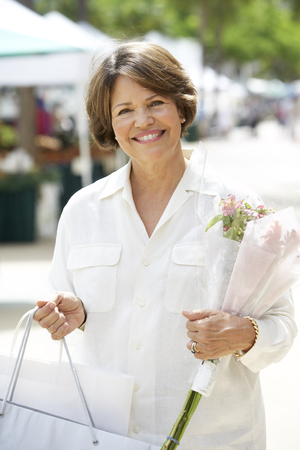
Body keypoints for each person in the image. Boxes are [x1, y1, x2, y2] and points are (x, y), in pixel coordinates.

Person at [34, 42, 297, 450]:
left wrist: (246, 335)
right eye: (124, 110)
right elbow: (74, 308)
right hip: (107, 437)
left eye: (155, 102)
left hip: (214, 440)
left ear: (180, 106)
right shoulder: (82, 211)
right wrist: (76, 314)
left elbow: (284, 324)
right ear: (110, 123)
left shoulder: (237, 208)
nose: (143, 120)